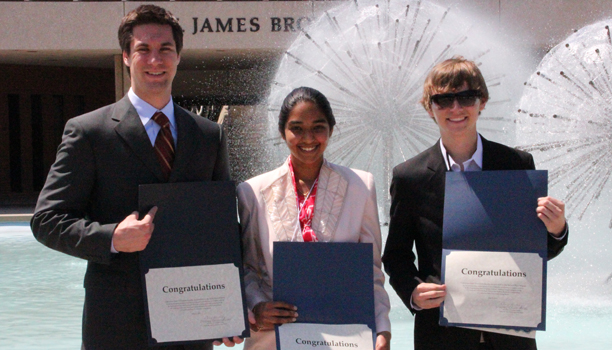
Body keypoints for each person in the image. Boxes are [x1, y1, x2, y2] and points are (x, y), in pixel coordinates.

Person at [30, 5, 239, 349]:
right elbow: (46, 221)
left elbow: (219, 228)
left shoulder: (208, 135)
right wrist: (112, 237)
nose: (155, 60)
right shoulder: (89, 133)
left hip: (191, 320)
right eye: (143, 49)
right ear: (127, 57)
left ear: (178, 57)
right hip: (116, 322)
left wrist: (230, 306)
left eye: (165, 50)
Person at [382, 56, 569, 350]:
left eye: (466, 97)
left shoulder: (516, 164)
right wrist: (413, 293)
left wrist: (557, 229)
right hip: (441, 334)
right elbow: (395, 256)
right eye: (443, 100)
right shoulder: (409, 177)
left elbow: (538, 251)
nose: (455, 108)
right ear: (429, 108)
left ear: (482, 101)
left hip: (510, 336)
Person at [236, 87, 391, 350]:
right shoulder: (252, 192)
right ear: (282, 132)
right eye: (296, 128)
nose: (308, 138)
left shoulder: (361, 186)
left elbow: (371, 272)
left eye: (318, 127)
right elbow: (247, 269)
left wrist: (383, 330)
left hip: (345, 336)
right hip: (274, 338)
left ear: (331, 129)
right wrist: (257, 306)